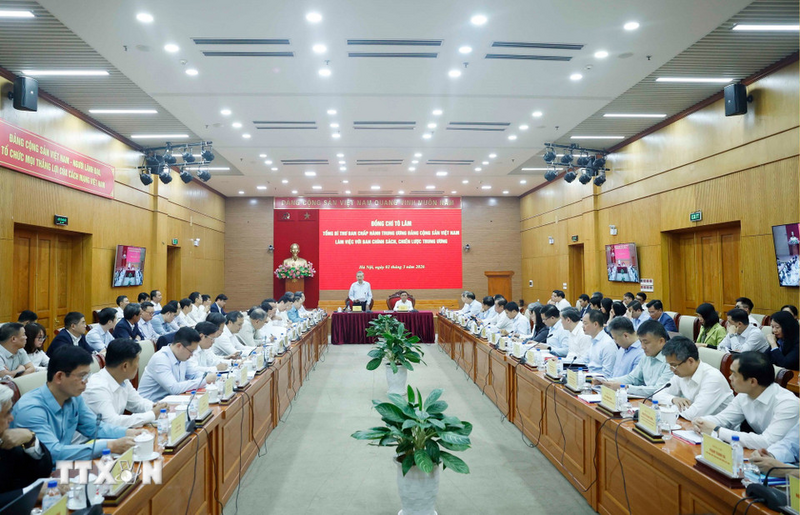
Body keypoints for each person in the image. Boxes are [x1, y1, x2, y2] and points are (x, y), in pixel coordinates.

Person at [11, 346, 138, 460]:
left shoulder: (74, 398)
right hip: (32, 477)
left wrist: (128, 432)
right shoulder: (31, 409)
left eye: (88, 375)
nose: (86, 381)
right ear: (59, 377)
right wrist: (110, 446)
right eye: (82, 376)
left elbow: (95, 428)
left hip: (64, 467)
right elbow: (52, 453)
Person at [693, 351, 799, 449]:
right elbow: (724, 419)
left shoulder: (788, 404)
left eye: (734, 374)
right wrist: (700, 421)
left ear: (752, 381)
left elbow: (767, 442)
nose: (730, 378)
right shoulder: (744, 395)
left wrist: (717, 430)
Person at [83, 339, 168, 427]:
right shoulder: (97, 387)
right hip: (90, 440)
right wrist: (152, 414)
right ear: (125, 366)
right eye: (137, 361)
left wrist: (155, 407)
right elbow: (112, 422)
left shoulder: (123, 380)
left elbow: (137, 403)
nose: (138, 366)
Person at [654, 337, 733, 421]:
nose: (671, 369)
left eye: (674, 365)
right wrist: (673, 400)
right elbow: (656, 395)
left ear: (690, 361)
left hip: (717, 430)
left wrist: (666, 406)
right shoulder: (681, 373)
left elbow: (693, 414)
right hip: (692, 425)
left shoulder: (713, 379)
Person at [0, 384, 53, 495]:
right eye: (7, 413)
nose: (11, 418)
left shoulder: (6, 439)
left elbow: (44, 471)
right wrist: (31, 493)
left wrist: (30, 440)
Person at [138, 327, 216, 402]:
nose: (192, 355)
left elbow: (194, 374)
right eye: (191, 351)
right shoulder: (161, 359)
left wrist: (206, 378)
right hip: (152, 406)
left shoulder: (182, 357)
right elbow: (174, 388)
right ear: (179, 346)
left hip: (172, 400)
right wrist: (205, 380)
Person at [599, 320, 672, 397]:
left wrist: (626, 388)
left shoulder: (672, 360)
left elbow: (658, 390)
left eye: (646, 342)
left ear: (661, 341)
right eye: (641, 342)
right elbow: (633, 378)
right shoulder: (647, 356)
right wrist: (606, 381)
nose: (642, 347)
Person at [583, 310, 617, 377]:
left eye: (585, 323)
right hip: (589, 378)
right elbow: (584, 361)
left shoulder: (607, 344)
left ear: (596, 324)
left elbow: (607, 374)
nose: (583, 326)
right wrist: (563, 361)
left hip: (599, 383)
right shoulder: (592, 340)